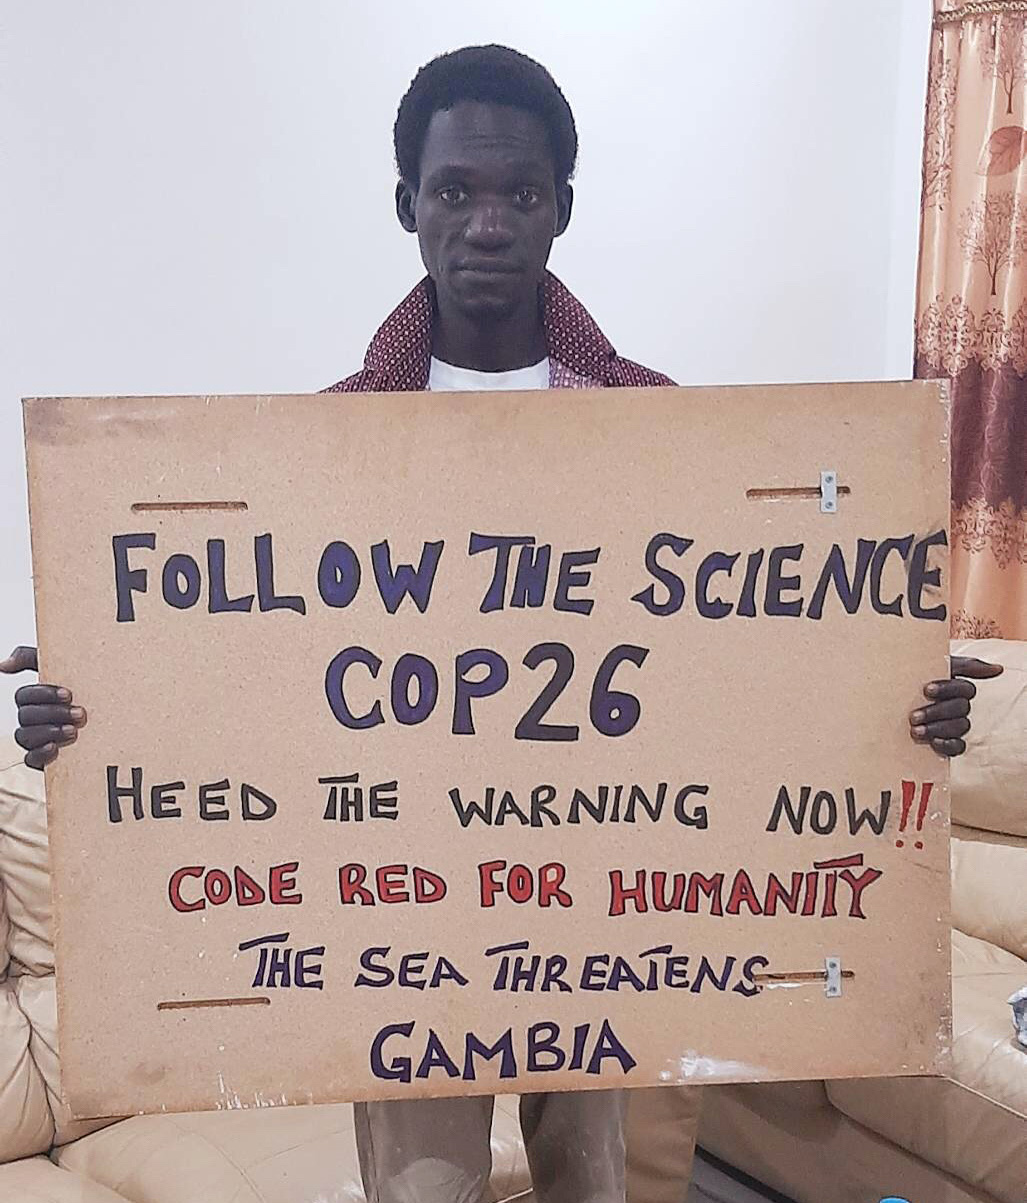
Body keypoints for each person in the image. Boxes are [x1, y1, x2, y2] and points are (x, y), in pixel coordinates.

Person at [0, 43, 1004, 1203]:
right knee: (422, 1191)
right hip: (400, 913)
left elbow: (752, 659)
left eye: (519, 194)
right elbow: (250, 676)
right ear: (407, 207)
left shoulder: (663, 437)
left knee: (592, 1184)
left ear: (561, 209)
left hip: (600, 893)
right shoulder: (320, 454)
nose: (486, 223)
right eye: (454, 192)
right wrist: (94, 703)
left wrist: (896, 696)